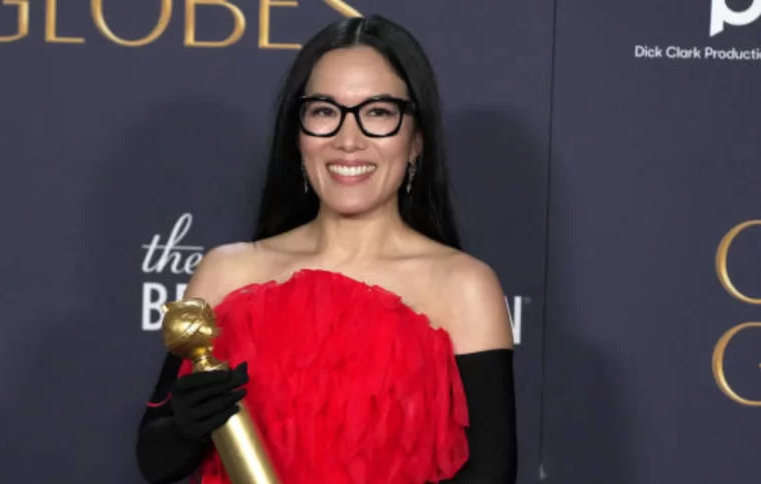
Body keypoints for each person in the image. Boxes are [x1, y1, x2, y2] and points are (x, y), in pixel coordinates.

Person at [135, 14, 517, 484]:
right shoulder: (226, 272)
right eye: (324, 111)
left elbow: (490, 474)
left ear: (415, 140)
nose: (348, 140)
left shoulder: (464, 286)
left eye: (378, 112)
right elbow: (154, 459)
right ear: (298, 135)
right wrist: (185, 427)